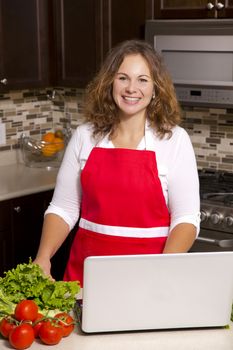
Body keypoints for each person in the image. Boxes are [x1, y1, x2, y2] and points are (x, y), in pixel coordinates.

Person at [34, 39, 200, 286]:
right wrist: (43, 257)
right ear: (110, 82)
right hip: (86, 277)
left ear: (155, 88)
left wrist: (164, 270)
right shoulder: (85, 136)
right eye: (123, 78)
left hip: (151, 278)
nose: (131, 88)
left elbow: (186, 219)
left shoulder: (174, 140)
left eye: (142, 80)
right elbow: (63, 209)